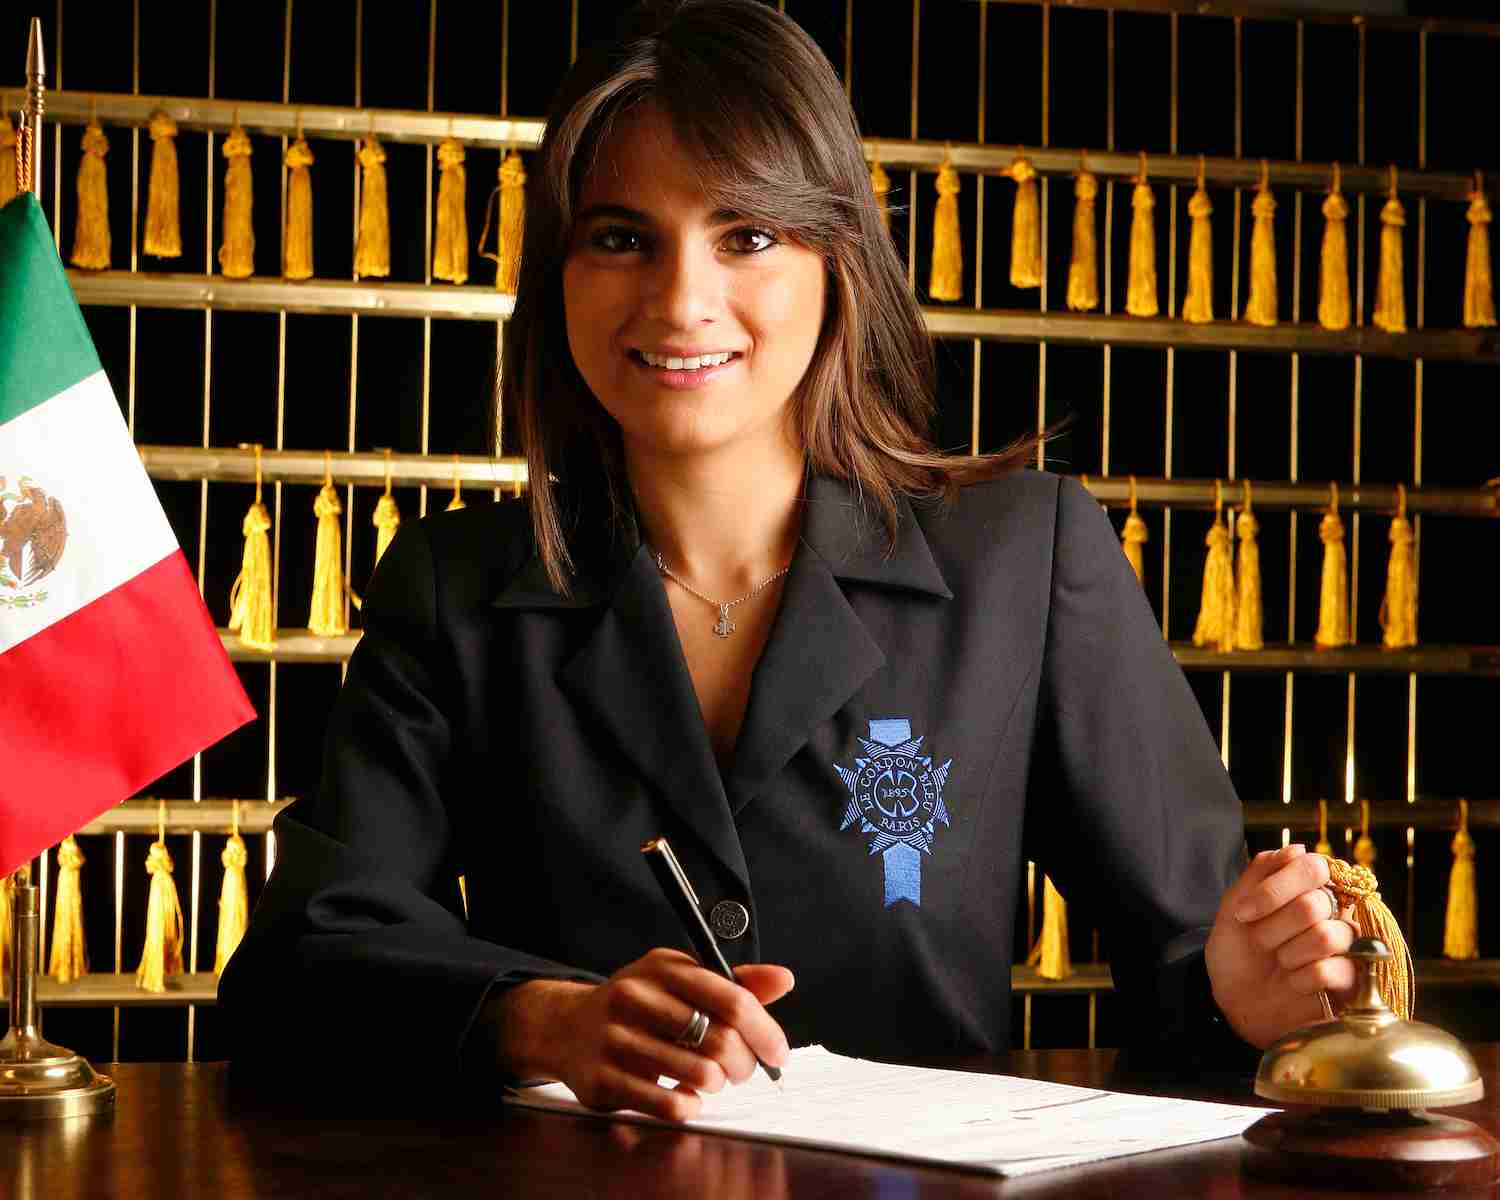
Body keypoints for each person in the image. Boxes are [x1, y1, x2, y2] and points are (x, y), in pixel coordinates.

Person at [218, 0, 1357, 1120]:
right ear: (558, 275)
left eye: (747, 236)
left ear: (837, 259)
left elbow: (1191, 967)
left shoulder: (1030, 557)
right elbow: (301, 976)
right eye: (621, 238)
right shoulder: (451, 587)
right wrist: (539, 1018)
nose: (681, 300)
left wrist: (1246, 998)